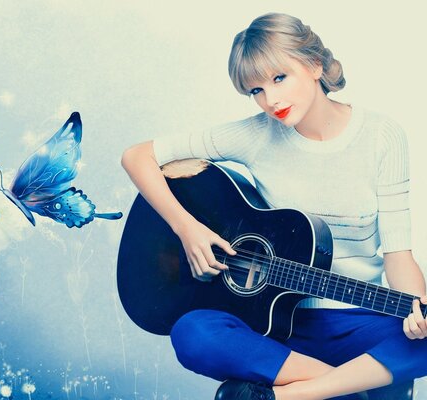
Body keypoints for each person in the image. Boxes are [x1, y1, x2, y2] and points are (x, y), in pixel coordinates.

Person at [121, 12, 427, 400]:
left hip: (360, 321)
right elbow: (137, 157)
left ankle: (288, 396)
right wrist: (188, 228)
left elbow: (399, 256)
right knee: (191, 332)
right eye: (255, 91)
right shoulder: (254, 135)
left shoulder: (383, 136)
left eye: (279, 78)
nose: (271, 100)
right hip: (275, 330)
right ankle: (352, 386)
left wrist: (415, 314)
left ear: (314, 65)